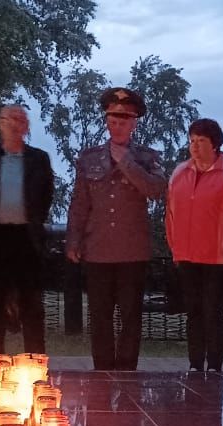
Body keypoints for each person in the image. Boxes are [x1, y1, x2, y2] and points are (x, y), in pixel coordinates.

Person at [65, 87, 167, 371]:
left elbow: (156, 189)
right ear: (107, 122)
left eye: (124, 121)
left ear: (134, 123)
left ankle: (126, 373)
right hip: (97, 249)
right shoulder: (89, 157)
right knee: (100, 316)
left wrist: (126, 162)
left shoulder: (147, 156)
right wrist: (73, 240)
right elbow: (79, 202)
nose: (118, 126)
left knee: (131, 316)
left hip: (132, 251)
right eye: (113, 121)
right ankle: (102, 372)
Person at [0, 104, 55, 365]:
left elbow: (45, 198)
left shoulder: (39, 159)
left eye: (21, 119)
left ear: (27, 126)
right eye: (9, 119)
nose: (15, 124)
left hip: (27, 240)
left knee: (31, 304)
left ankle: (35, 361)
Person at [165, 119, 223, 372]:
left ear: (215, 144)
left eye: (201, 141)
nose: (195, 147)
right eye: (192, 141)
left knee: (212, 309)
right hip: (187, 254)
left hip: (219, 256)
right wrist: (175, 246)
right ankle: (195, 364)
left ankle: (215, 366)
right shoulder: (180, 172)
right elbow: (171, 213)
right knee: (193, 310)